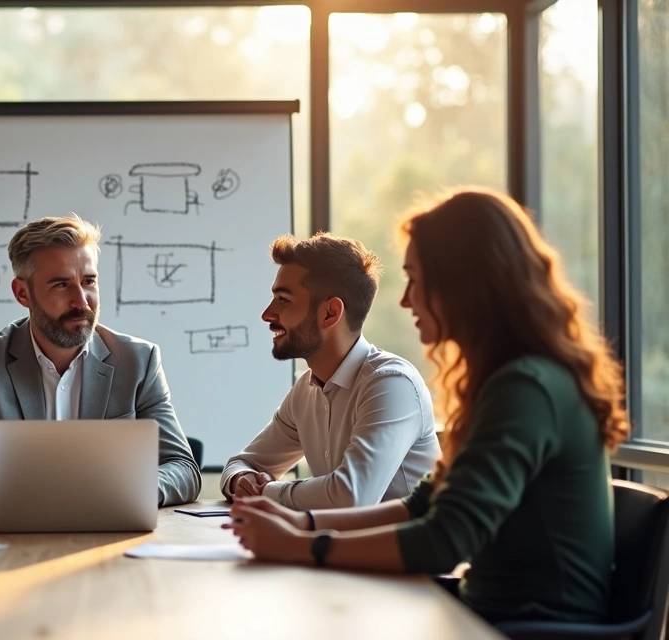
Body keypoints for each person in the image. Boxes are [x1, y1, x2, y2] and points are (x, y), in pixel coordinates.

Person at [226, 189, 629, 625]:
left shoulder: (525, 386)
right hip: (485, 611)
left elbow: (446, 537)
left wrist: (302, 544)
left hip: (531, 627)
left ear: (463, 284)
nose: (405, 300)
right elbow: (424, 505)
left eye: (416, 280)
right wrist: (302, 527)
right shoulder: (505, 380)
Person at [0, 214, 201, 511]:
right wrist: (26, 496)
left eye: (89, 281)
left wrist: (130, 491)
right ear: (23, 293)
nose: (81, 301)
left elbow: (183, 468)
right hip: (20, 539)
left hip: (112, 533)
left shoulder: (138, 360)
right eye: (61, 285)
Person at [220, 233, 440, 509]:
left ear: (330, 313)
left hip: (406, 552)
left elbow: (351, 496)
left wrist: (267, 493)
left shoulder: (391, 384)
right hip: (339, 549)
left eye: (284, 300)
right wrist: (242, 479)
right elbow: (244, 463)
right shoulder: (306, 389)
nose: (267, 314)